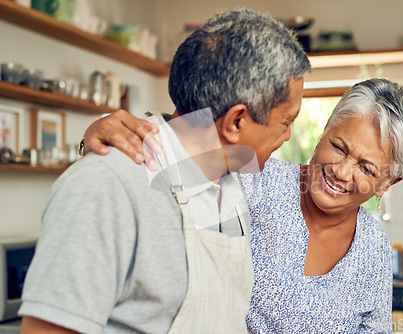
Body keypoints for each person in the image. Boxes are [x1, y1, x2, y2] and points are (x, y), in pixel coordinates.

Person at [19, 8, 311, 334]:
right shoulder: (107, 186)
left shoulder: (235, 180)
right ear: (236, 121)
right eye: (286, 122)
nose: (287, 136)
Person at [82, 78, 403, 332]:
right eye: (339, 147)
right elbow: (173, 150)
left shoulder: (374, 249)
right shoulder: (253, 178)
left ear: (387, 184)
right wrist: (99, 137)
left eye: (366, 168)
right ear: (324, 131)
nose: (340, 171)